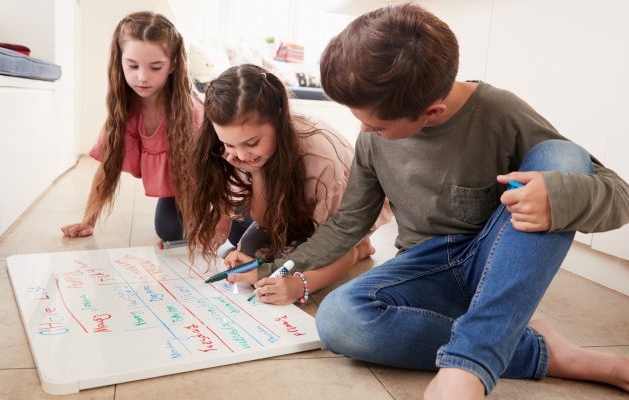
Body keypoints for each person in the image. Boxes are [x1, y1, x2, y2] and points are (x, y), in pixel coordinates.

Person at [250, 3, 629, 399]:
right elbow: (348, 223)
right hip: (426, 269)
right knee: (340, 319)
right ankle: (537, 349)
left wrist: (558, 195)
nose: (363, 131)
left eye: (376, 125)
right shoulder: (371, 138)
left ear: (432, 112)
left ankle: (469, 365)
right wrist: (275, 268)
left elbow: (620, 195)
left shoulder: (499, 112)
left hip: (496, 263)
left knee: (562, 158)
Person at [181, 64, 392, 305]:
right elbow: (265, 220)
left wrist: (299, 283)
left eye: (252, 143)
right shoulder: (241, 153)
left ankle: (359, 251)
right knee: (250, 250)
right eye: (229, 144)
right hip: (292, 211)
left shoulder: (320, 156)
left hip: (339, 220)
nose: (241, 155)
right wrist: (257, 173)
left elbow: (339, 233)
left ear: (278, 117)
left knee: (296, 264)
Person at [60, 11, 250, 245]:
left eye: (155, 68)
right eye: (132, 65)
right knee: (169, 230)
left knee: (240, 232)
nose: (142, 77)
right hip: (186, 190)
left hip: (226, 185)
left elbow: (225, 170)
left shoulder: (193, 113)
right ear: (120, 61)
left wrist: (222, 223)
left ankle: (244, 208)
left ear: (173, 65)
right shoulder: (126, 111)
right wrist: (88, 221)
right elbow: (106, 166)